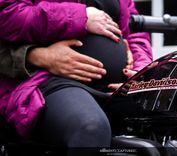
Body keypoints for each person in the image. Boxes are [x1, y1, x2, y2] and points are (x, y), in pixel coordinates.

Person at [0, 0, 152, 155]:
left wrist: (140, 70)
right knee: (91, 127)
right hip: (48, 81)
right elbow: (7, 15)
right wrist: (81, 17)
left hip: (117, 87)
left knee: (170, 119)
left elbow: (135, 32)